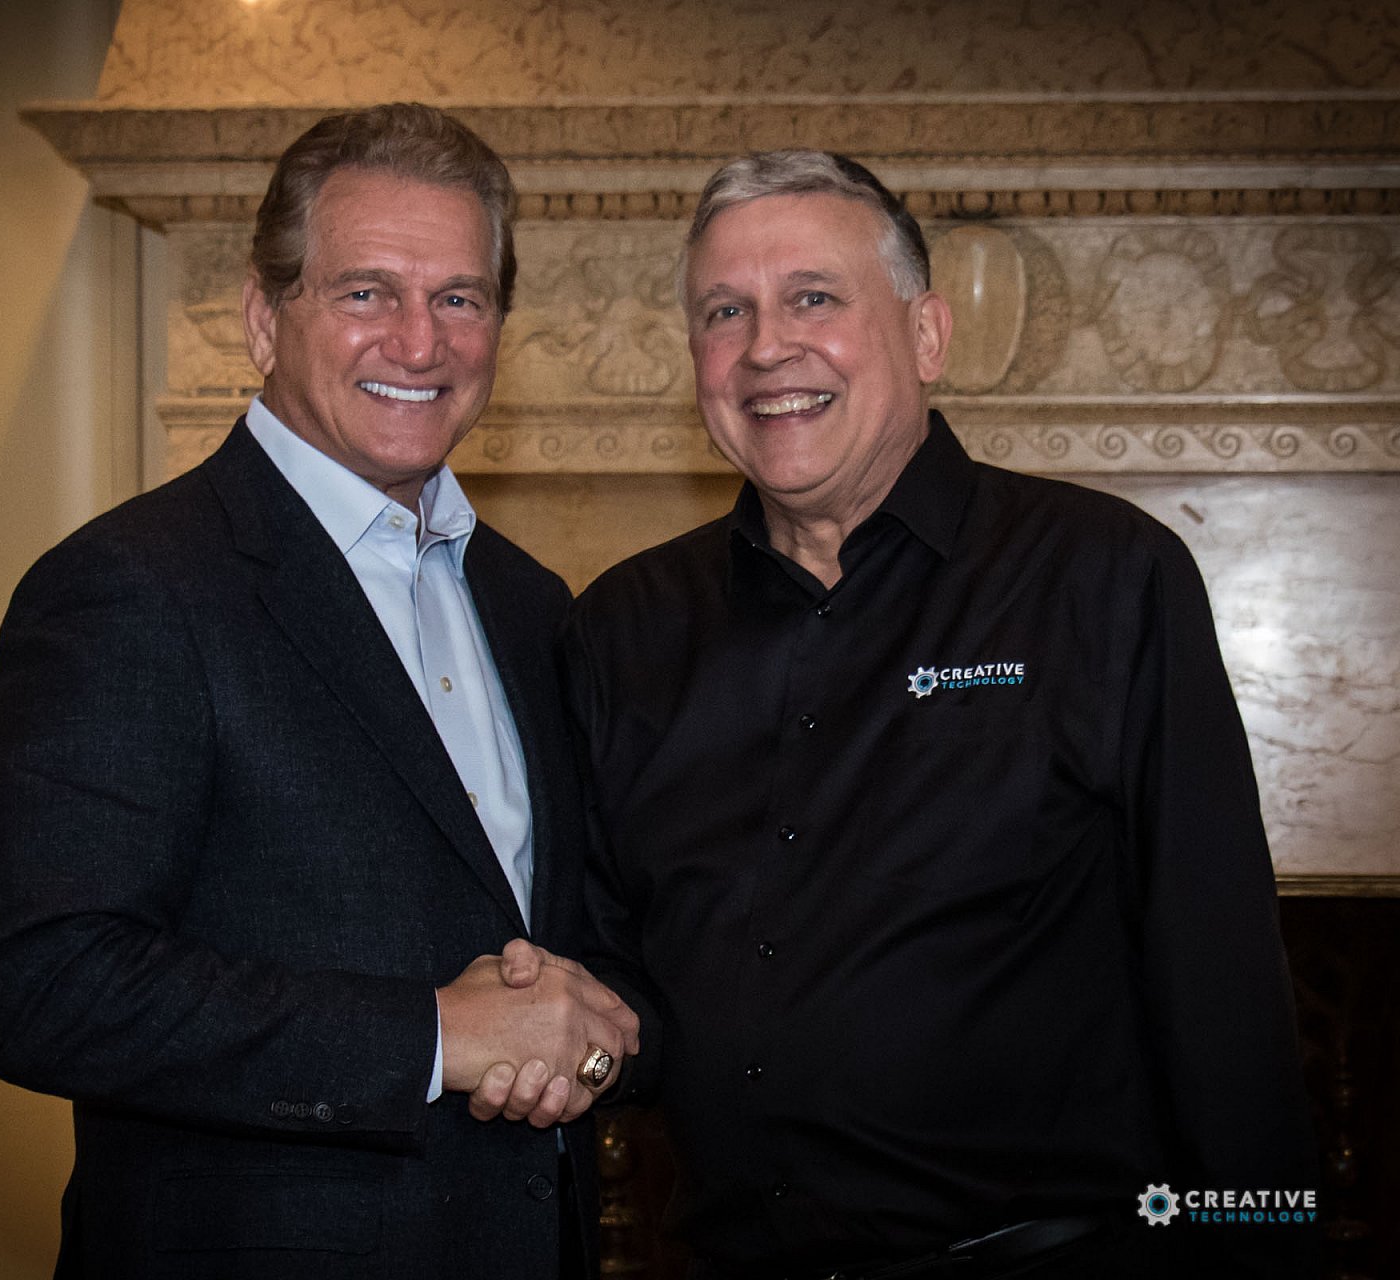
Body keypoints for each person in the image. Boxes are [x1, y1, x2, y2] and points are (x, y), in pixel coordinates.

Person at [553, 151, 1320, 1277]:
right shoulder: (622, 627)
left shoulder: (1104, 577)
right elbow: (610, 963)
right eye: (726, 311)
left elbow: (1223, 994)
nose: (766, 347)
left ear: (925, 335)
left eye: (814, 297)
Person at [0, 103, 637, 1280]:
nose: (419, 341)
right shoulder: (130, 584)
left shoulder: (529, 600)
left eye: (460, 297)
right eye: (366, 291)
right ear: (263, 317)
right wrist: (433, 1035)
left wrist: (597, 1030)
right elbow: (48, 981)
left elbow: (556, 936)